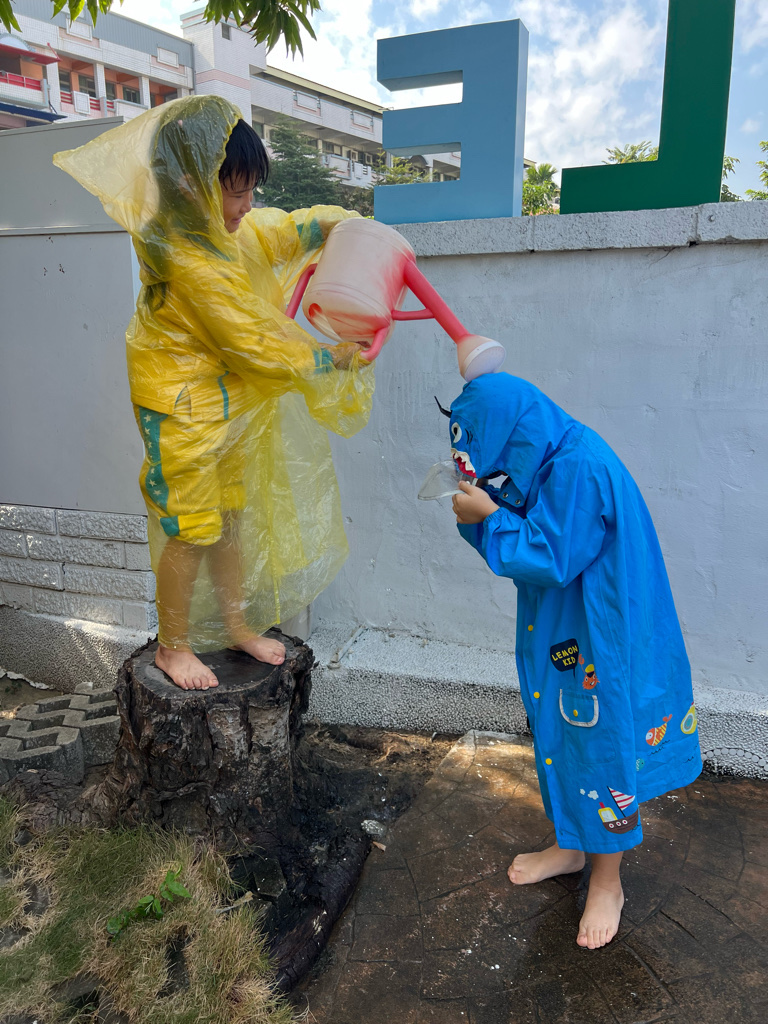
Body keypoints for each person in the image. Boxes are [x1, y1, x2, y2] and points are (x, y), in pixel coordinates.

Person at [54, 96, 374, 692]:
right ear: (190, 185)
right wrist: (329, 358)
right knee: (190, 526)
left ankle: (235, 624)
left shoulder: (223, 233)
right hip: (180, 410)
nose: (247, 205)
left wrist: (337, 223)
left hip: (223, 408)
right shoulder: (186, 258)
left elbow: (277, 232)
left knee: (228, 520)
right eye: (236, 191)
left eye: (251, 190)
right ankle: (173, 646)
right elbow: (253, 343)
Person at [447, 372, 702, 949]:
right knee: (562, 731)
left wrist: (486, 519)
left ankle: (608, 881)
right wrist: (486, 513)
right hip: (566, 625)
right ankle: (571, 844)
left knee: (599, 741)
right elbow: (533, 525)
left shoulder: (579, 466)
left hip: (597, 635)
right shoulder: (551, 457)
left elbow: (549, 554)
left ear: (511, 432)